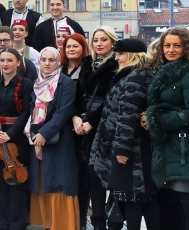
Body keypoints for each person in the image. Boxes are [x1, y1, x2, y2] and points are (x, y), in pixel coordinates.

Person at [89, 39, 159, 230]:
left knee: (131, 197)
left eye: (120, 54)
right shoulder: (130, 75)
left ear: (132, 55)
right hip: (127, 145)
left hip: (131, 149)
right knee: (134, 196)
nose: (117, 58)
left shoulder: (134, 77)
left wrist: (122, 149)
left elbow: (128, 115)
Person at [145, 27, 189, 230]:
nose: (171, 49)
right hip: (166, 147)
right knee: (169, 206)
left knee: (188, 206)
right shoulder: (163, 73)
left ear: (187, 48)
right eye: (167, 45)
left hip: (186, 148)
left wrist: (155, 118)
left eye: (177, 45)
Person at [26, 47, 80, 230]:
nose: (47, 63)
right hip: (39, 140)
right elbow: (33, 112)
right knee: (43, 180)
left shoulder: (65, 83)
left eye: (51, 60)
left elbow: (63, 112)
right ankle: (49, 224)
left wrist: (44, 134)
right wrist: (34, 135)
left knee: (60, 181)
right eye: (44, 60)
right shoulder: (37, 83)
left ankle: (64, 225)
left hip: (60, 140)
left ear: (58, 62)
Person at [73, 26, 120, 230]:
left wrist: (91, 122)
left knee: (106, 175)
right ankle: (97, 221)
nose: (99, 44)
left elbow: (111, 99)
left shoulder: (115, 65)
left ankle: (114, 220)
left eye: (104, 40)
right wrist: (75, 117)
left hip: (104, 125)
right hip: (82, 123)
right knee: (89, 176)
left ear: (112, 42)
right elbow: (78, 95)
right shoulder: (87, 64)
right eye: (96, 40)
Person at [0, 48, 33, 230]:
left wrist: (10, 134)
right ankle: (4, 223)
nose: (5, 64)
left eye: (10, 60)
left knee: (17, 179)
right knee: (0, 179)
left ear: (18, 63)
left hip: (16, 137)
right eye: (2, 60)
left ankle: (18, 223)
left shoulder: (26, 84)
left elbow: (27, 111)